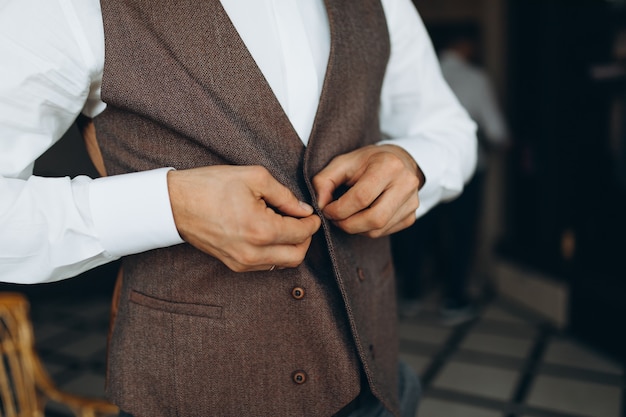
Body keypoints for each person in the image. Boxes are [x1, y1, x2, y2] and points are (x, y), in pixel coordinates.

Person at [0, 0, 476, 416]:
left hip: (379, 385)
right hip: (195, 395)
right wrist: (168, 205)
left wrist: (413, 163)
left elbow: (448, 128)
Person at [393, 25, 508, 326]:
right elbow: (496, 130)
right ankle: (454, 298)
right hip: (465, 173)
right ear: (467, 44)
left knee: (416, 230)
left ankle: (411, 294)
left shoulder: (413, 77)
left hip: (412, 168)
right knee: (461, 234)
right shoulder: (475, 78)